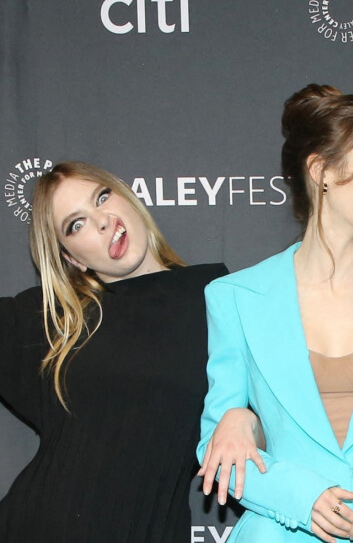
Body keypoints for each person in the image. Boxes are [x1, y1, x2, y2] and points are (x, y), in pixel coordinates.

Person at [197, 84, 353, 542]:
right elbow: (217, 447)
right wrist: (300, 496)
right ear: (321, 170)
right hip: (281, 530)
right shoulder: (235, 296)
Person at [0, 162, 227, 542]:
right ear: (72, 258)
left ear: (127, 197)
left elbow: (271, 427)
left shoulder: (218, 295)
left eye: (102, 198)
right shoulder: (54, 319)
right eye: (77, 224)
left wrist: (244, 421)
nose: (102, 222)